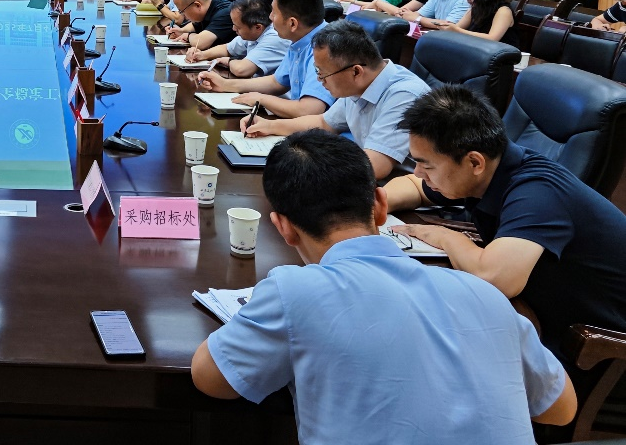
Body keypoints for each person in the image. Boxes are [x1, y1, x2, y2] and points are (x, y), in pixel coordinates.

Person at [190, 130, 576, 443]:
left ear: (284, 227)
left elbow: (210, 378)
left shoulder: (294, 291)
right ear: (379, 206)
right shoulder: (485, 295)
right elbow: (561, 409)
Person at [386, 85, 626, 351]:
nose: (419, 172)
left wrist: (446, 237)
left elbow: (495, 278)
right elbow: (415, 186)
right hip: (534, 314)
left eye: (426, 165)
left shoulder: (538, 192)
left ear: (474, 163)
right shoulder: (485, 171)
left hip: (591, 346)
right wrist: (377, 202)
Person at [241, 20, 429, 179]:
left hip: (404, 191)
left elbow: (376, 165)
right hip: (363, 180)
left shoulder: (405, 95)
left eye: (322, 73)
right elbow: (324, 123)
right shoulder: (359, 85)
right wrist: (269, 126)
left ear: (356, 72)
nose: (319, 80)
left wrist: (307, 162)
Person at [196, 0, 334, 119]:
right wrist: (225, 84)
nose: (270, 17)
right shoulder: (299, 40)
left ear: (292, 23)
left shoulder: (326, 47)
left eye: (274, 13)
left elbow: (308, 110)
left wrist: (261, 99)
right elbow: (276, 82)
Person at [184, 0, 290, 78]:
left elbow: (241, 70)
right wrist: (202, 55)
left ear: (258, 27)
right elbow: (227, 48)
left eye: (238, 27)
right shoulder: (254, 33)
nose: (233, 29)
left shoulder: (274, 38)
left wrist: (228, 61)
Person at [165, 0, 235, 51]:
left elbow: (200, 43)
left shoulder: (226, 13)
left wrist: (188, 36)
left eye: (182, 11)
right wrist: (181, 31)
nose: (182, 15)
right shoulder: (208, 8)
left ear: (197, 5)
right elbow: (194, 25)